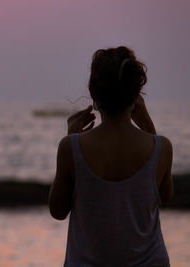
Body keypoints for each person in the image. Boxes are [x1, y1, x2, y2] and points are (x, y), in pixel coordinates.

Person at [48, 46, 173, 267]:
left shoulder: (71, 147)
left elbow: (58, 211)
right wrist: (147, 125)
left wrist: (72, 137)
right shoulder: (161, 147)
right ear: (136, 94)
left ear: (94, 93)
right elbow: (164, 195)